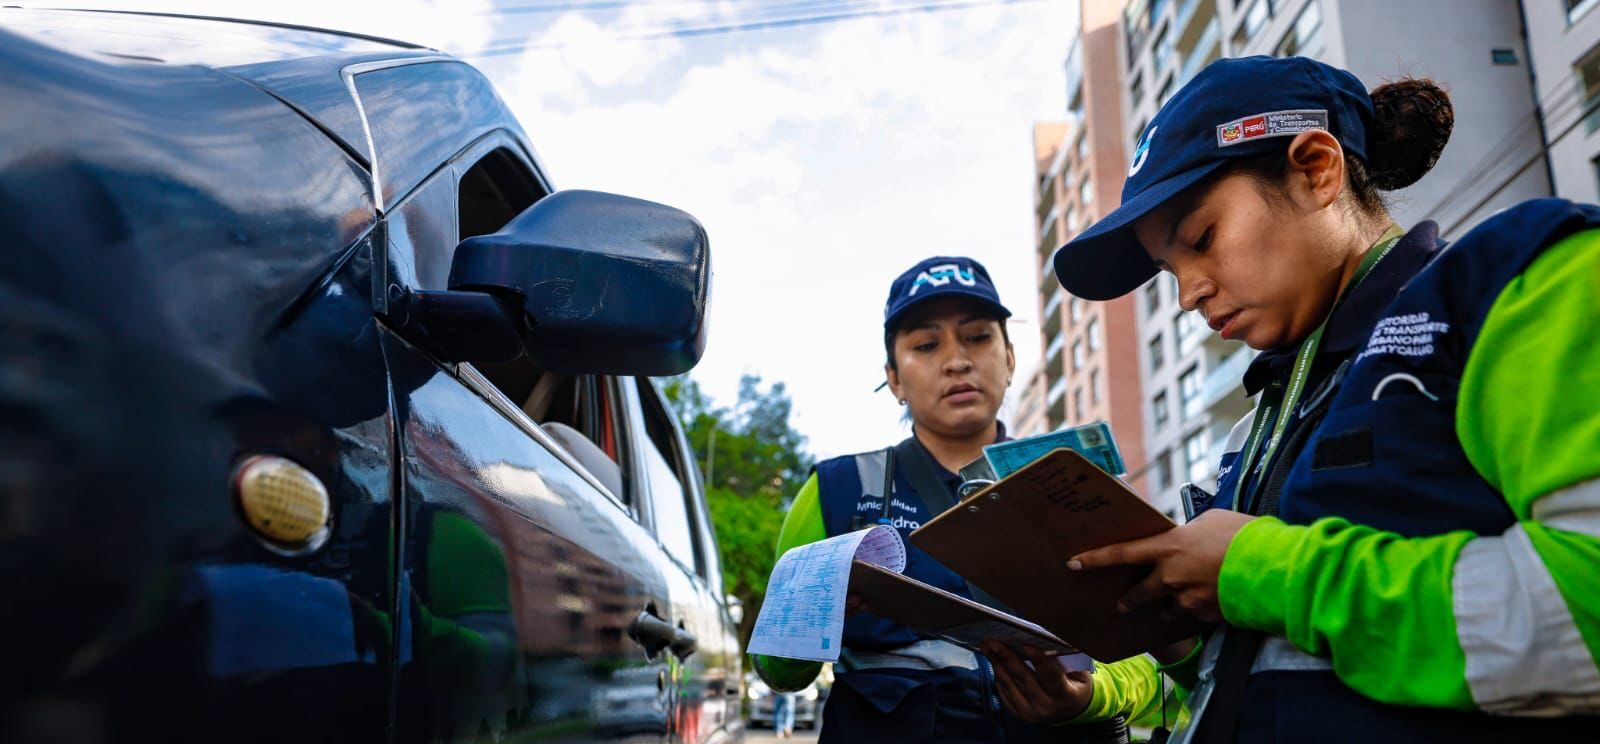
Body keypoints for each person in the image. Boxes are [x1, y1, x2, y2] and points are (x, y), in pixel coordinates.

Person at [1025, 54, 1598, 742]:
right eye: (1168, 271)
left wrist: (1263, 570)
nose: (1187, 294)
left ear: (1316, 168)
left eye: (1202, 240)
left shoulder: (1519, 286)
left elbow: (1584, 616)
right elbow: (1274, 669)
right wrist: (1177, 631)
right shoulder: (1259, 426)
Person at [750, 256, 1154, 742]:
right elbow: (779, 671)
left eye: (978, 337)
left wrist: (1088, 698)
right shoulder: (835, 490)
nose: (957, 359)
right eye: (926, 344)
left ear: (1009, 358)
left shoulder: (1080, 484)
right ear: (894, 378)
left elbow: (1155, 660)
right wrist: (819, 613)